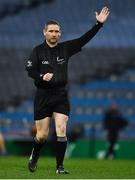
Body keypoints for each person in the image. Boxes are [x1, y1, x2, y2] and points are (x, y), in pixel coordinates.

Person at [26, 7, 110, 174]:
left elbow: (83, 39)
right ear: (44, 32)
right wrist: (42, 76)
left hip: (61, 95)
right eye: (51, 31)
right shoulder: (37, 50)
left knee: (61, 129)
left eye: (57, 31)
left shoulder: (65, 48)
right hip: (43, 96)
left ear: (60, 34)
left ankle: (60, 167)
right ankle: (35, 153)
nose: (54, 34)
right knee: (41, 136)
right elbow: (29, 70)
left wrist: (98, 24)